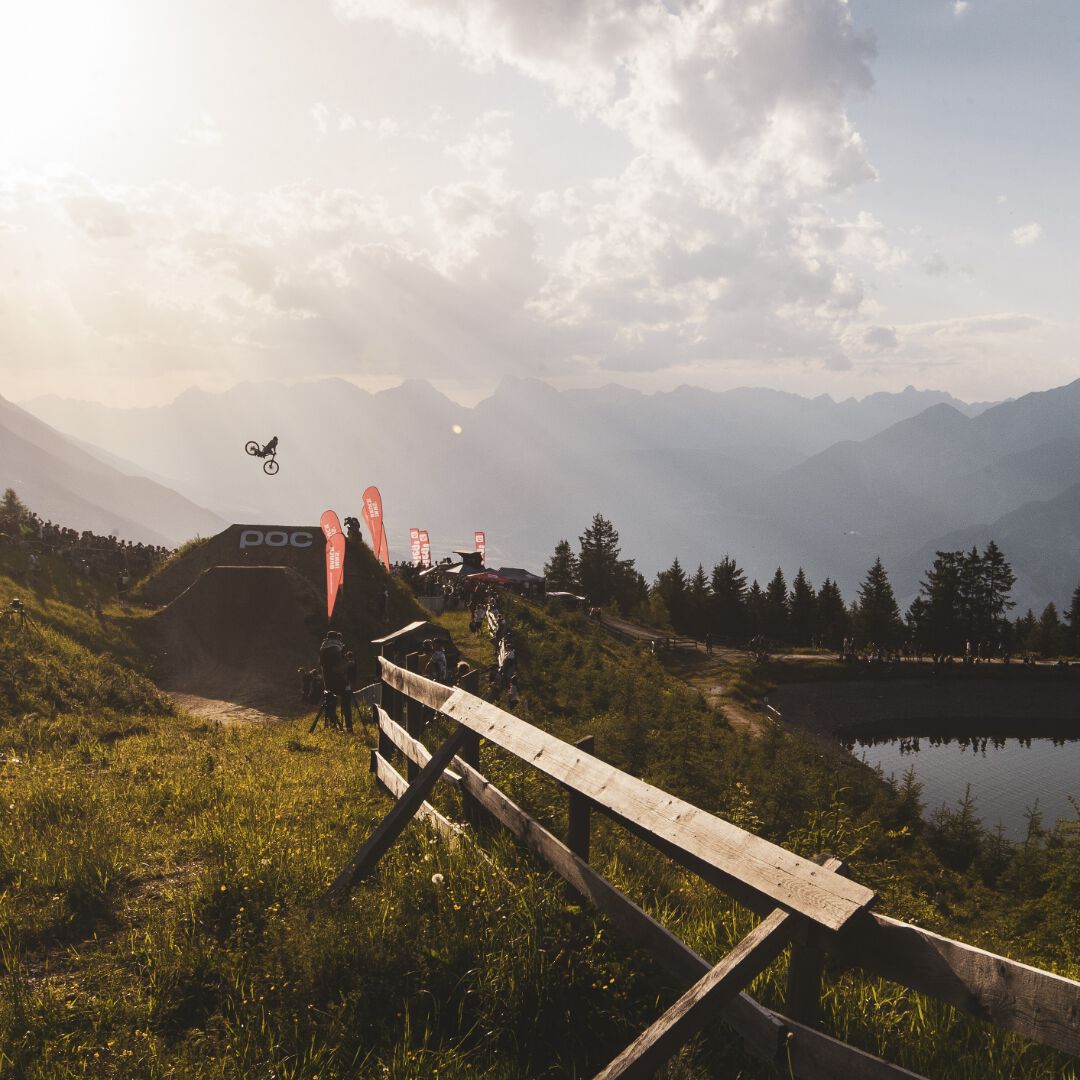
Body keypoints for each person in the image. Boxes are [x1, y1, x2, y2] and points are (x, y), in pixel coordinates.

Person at [318, 630, 353, 732]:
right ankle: (349, 726)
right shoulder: (335, 651)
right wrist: (349, 664)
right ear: (336, 640)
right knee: (347, 698)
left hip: (327, 684)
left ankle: (333, 725)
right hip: (337, 684)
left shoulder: (323, 650)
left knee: (330, 702)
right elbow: (337, 669)